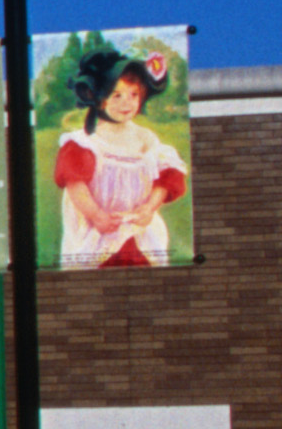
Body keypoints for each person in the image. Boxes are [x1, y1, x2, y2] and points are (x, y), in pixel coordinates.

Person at [54, 45, 189, 268]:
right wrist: (96, 215)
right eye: (116, 95)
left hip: (139, 228)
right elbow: (74, 183)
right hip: (98, 229)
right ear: (98, 99)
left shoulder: (146, 139)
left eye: (133, 94)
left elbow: (168, 175)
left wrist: (149, 208)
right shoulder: (87, 142)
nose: (126, 102)